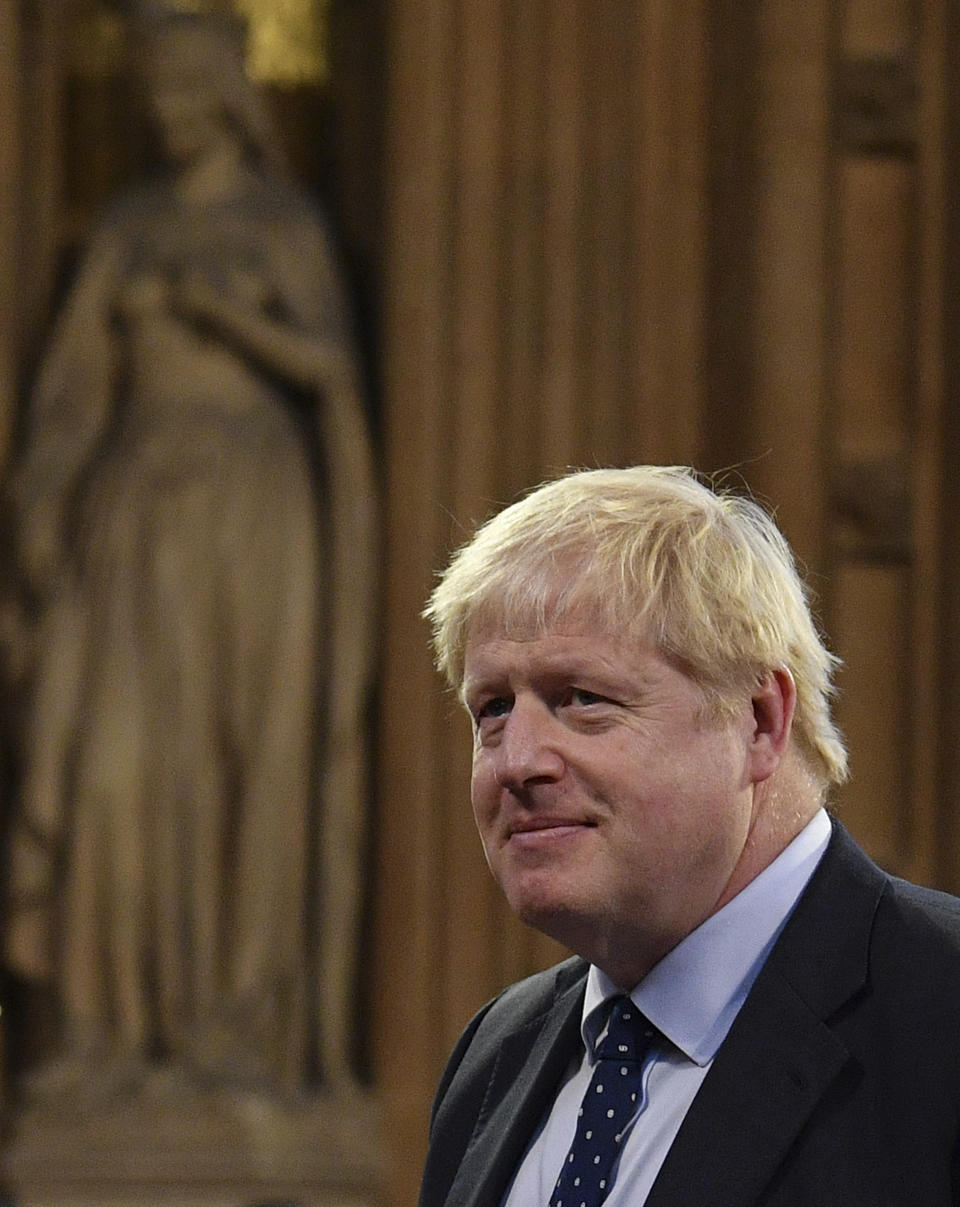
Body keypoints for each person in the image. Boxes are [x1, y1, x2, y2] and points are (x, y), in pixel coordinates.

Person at [1, 10, 376, 1103]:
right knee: (117, 765)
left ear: (224, 91)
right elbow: (71, 389)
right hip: (134, 519)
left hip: (258, 520)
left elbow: (330, 370)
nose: (164, 113)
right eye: (151, 95)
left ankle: (238, 1029)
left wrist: (216, 313)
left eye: (182, 90)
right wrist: (41, 511)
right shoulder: (126, 225)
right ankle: (103, 1030)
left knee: (246, 764)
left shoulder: (284, 223)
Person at [419, 465, 960, 1207]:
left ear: (760, 719)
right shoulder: (495, 1054)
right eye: (493, 709)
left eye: (583, 698)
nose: (516, 762)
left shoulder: (939, 1009)